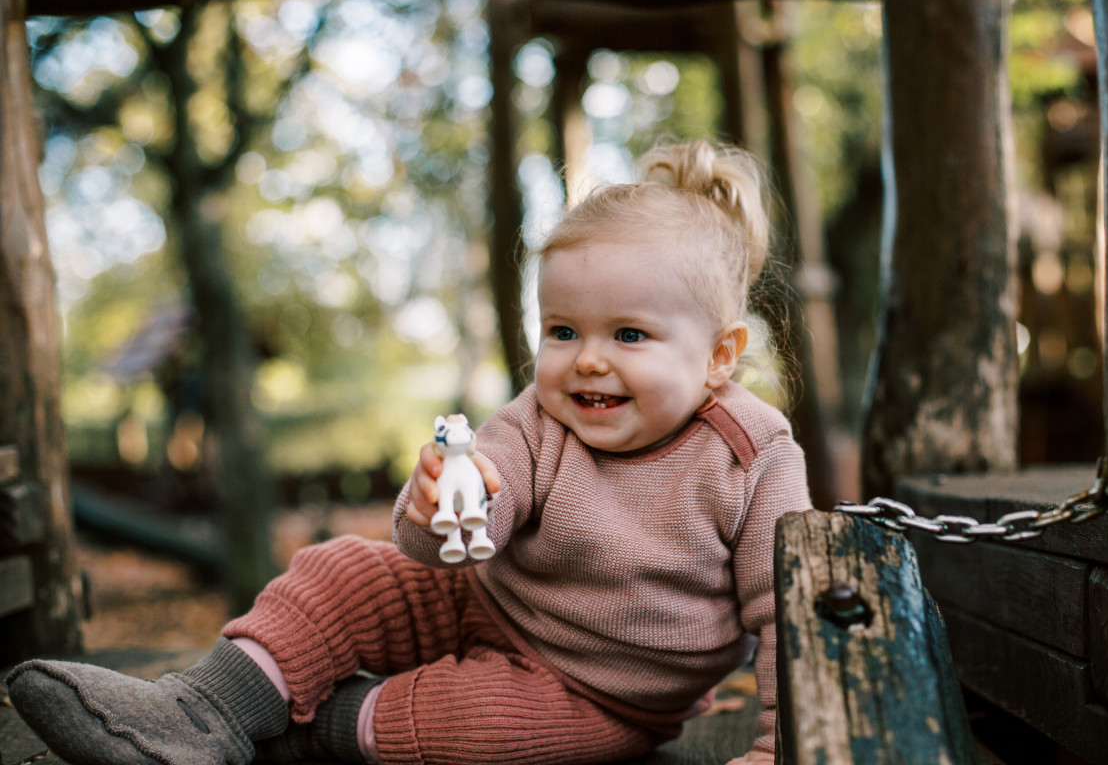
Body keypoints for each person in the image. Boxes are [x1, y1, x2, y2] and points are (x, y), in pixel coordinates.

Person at [6, 140, 813, 765]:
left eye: (628, 334)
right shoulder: (541, 417)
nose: (588, 359)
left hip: (597, 694)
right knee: (342, 572)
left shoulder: (753, 457)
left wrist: (783, 747)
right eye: (563, 331)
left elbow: (785, 612)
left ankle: (305, 729)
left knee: (471, 725)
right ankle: (202, 707)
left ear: (719, 355)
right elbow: (452, 534)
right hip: (481, 599)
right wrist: (444, 502)